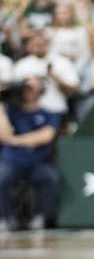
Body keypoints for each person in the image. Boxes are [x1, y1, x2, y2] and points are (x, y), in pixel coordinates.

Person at [0, 77, 61, 231]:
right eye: (26, 88)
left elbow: (46, 136)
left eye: (32, 88)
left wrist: (16, 140)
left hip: (38, 162)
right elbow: (4, 135)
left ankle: (42, 217)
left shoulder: (48, 113)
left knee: (49, 177)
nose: (29, 92)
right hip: (12, 161)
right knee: (3, 177)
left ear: (41, 91)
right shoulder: (10, 112)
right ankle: (7, 218)